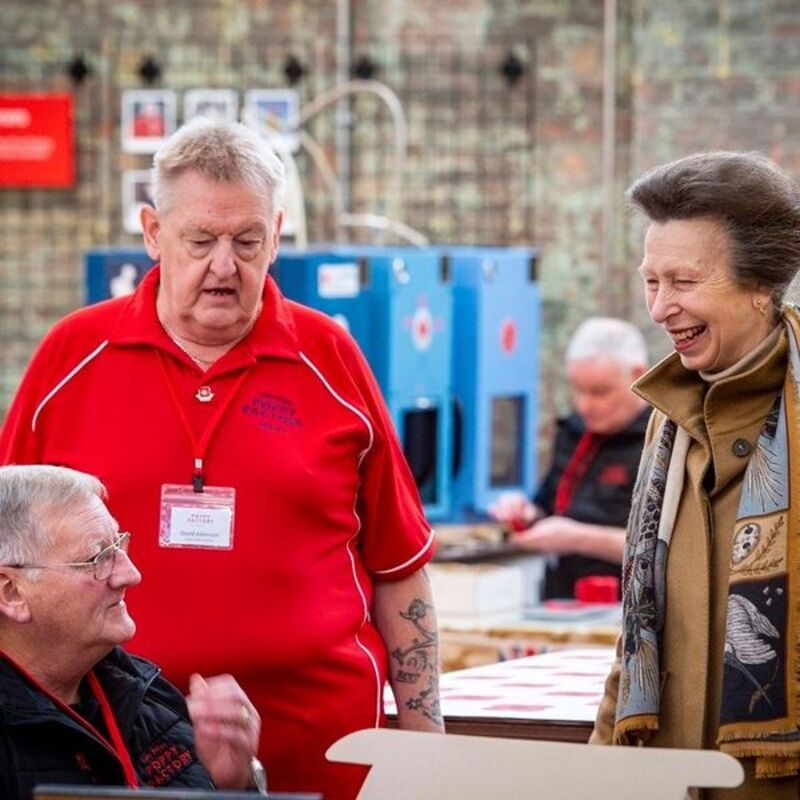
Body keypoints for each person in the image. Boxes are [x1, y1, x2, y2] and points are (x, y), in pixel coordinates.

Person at [0, 118, 443, 800]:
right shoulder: (73, 355)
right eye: (200, 241)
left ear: (277, 233)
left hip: (323, 746)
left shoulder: (331, 359)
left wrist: (425, 752)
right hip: (113, 748)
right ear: (152, 233)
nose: (224, 266)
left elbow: (398, 566)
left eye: (248, 241)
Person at [590, 151, 800, 799]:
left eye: (682, 282)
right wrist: (600, 764)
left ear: (761, 282)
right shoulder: (667, 423)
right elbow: (638, 630)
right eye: (651, 281)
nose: (658, 308)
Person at [0, 464, 262, 798]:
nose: (130, 574)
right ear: (11, 592)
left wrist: (232, 785)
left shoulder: (146, 694)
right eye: (97, 558)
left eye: (119, 545)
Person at [490, 317, 650, 599]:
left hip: (631, 606)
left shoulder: (663, 443)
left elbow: (671, 552)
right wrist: (527, 515)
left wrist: (578, 539)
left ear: (638, 375)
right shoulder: (574, 432)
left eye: (600, 392)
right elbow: (550, 508)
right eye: (577, 390)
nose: (585, 405)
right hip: (562, 598)